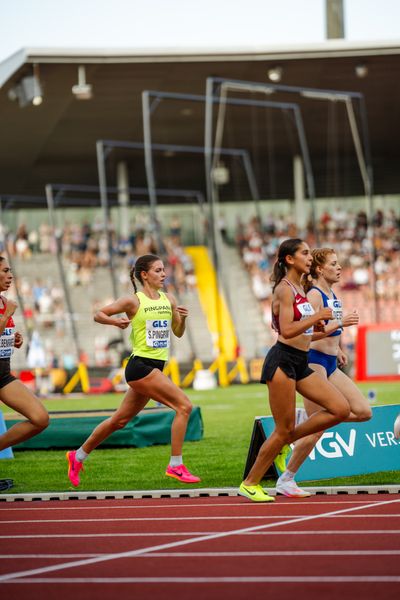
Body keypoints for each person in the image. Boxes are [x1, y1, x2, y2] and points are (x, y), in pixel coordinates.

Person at [66, 254, 200, 486]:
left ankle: (77, 456)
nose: (164, 274)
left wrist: (183, 319)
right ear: (144, 275)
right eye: (158, 270)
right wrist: (115, 322)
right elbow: (99, 314)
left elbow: (177, 332)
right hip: (141, 366)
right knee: (184, 406)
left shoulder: (169, 299)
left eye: (163, 270)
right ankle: (176, 466)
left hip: (156, 366)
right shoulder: (133, 301)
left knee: (119, 421)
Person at [239, 238, 350, 502]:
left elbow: (304, 333)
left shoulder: (301, 288)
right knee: (282, 429)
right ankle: (250, 483)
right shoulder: (284, 288)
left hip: (300, 361)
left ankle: (280, 443)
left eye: (310, 254)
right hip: (282, 361)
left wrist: (325, 328)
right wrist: (316, 317)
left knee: (340, 409)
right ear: (289, 259)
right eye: (304, 253)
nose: (310, 257)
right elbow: (287, 331)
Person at [275, 247, 372, 497]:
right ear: (320, 269)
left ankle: (304, 421)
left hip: (331, 362)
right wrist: (340, 324)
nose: (339, 268)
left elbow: (331, 327)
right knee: (318, 428)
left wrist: (338, 347)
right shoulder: (315, 296)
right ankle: (287, 479)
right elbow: (308, 331)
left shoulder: (333, 294)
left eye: (339, 263)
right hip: (314, 361)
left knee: (363, 412)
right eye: (334, 264)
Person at [0, 256, 49, 457]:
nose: (10, 275)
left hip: (3, 375)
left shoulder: (4, 301)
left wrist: (12, 338)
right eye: (4, 271)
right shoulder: (7, 306)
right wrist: (6, 316)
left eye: (10, 270)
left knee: (40, 418)